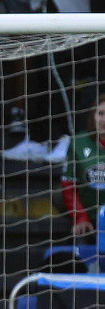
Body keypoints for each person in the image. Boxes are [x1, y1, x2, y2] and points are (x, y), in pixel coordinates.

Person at [63, 94, 105, 237]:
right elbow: (68, 185)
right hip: (86, 215)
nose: (104, 120)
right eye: (101, 113)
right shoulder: (77, 142)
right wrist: (80, 217)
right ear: (93, 115)